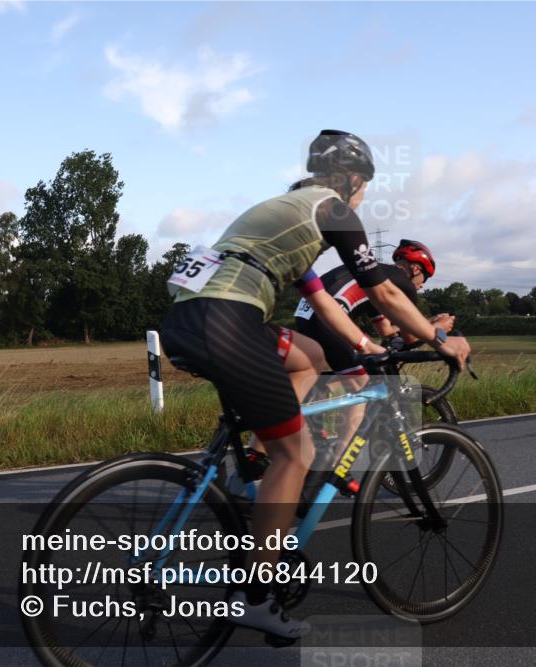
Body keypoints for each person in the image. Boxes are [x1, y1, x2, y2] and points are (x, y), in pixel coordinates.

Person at [160, 130, 471, 638]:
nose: (363, 198)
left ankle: (253, 463)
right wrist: (439, 338)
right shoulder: (334, 210)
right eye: (364, 187)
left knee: (312, 357)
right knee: (297, 455)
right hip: (229, 321)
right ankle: (255, 597)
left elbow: (325, 305)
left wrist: (366, 346)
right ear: (352, 179)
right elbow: (386, 294)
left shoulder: (287, 213)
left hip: (193, 318)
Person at [292, 240, 456, 453]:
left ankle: (299, 423)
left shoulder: (377, 278)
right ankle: (339, 459)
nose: (422, 285)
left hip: (308, 316)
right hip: (329, 320)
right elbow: (410, 338)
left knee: (343, 375)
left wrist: (426, 323)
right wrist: (438, 328)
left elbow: (387, 332)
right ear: (416, 269)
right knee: (363, 387)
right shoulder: (403, 284)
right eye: (425, 278)